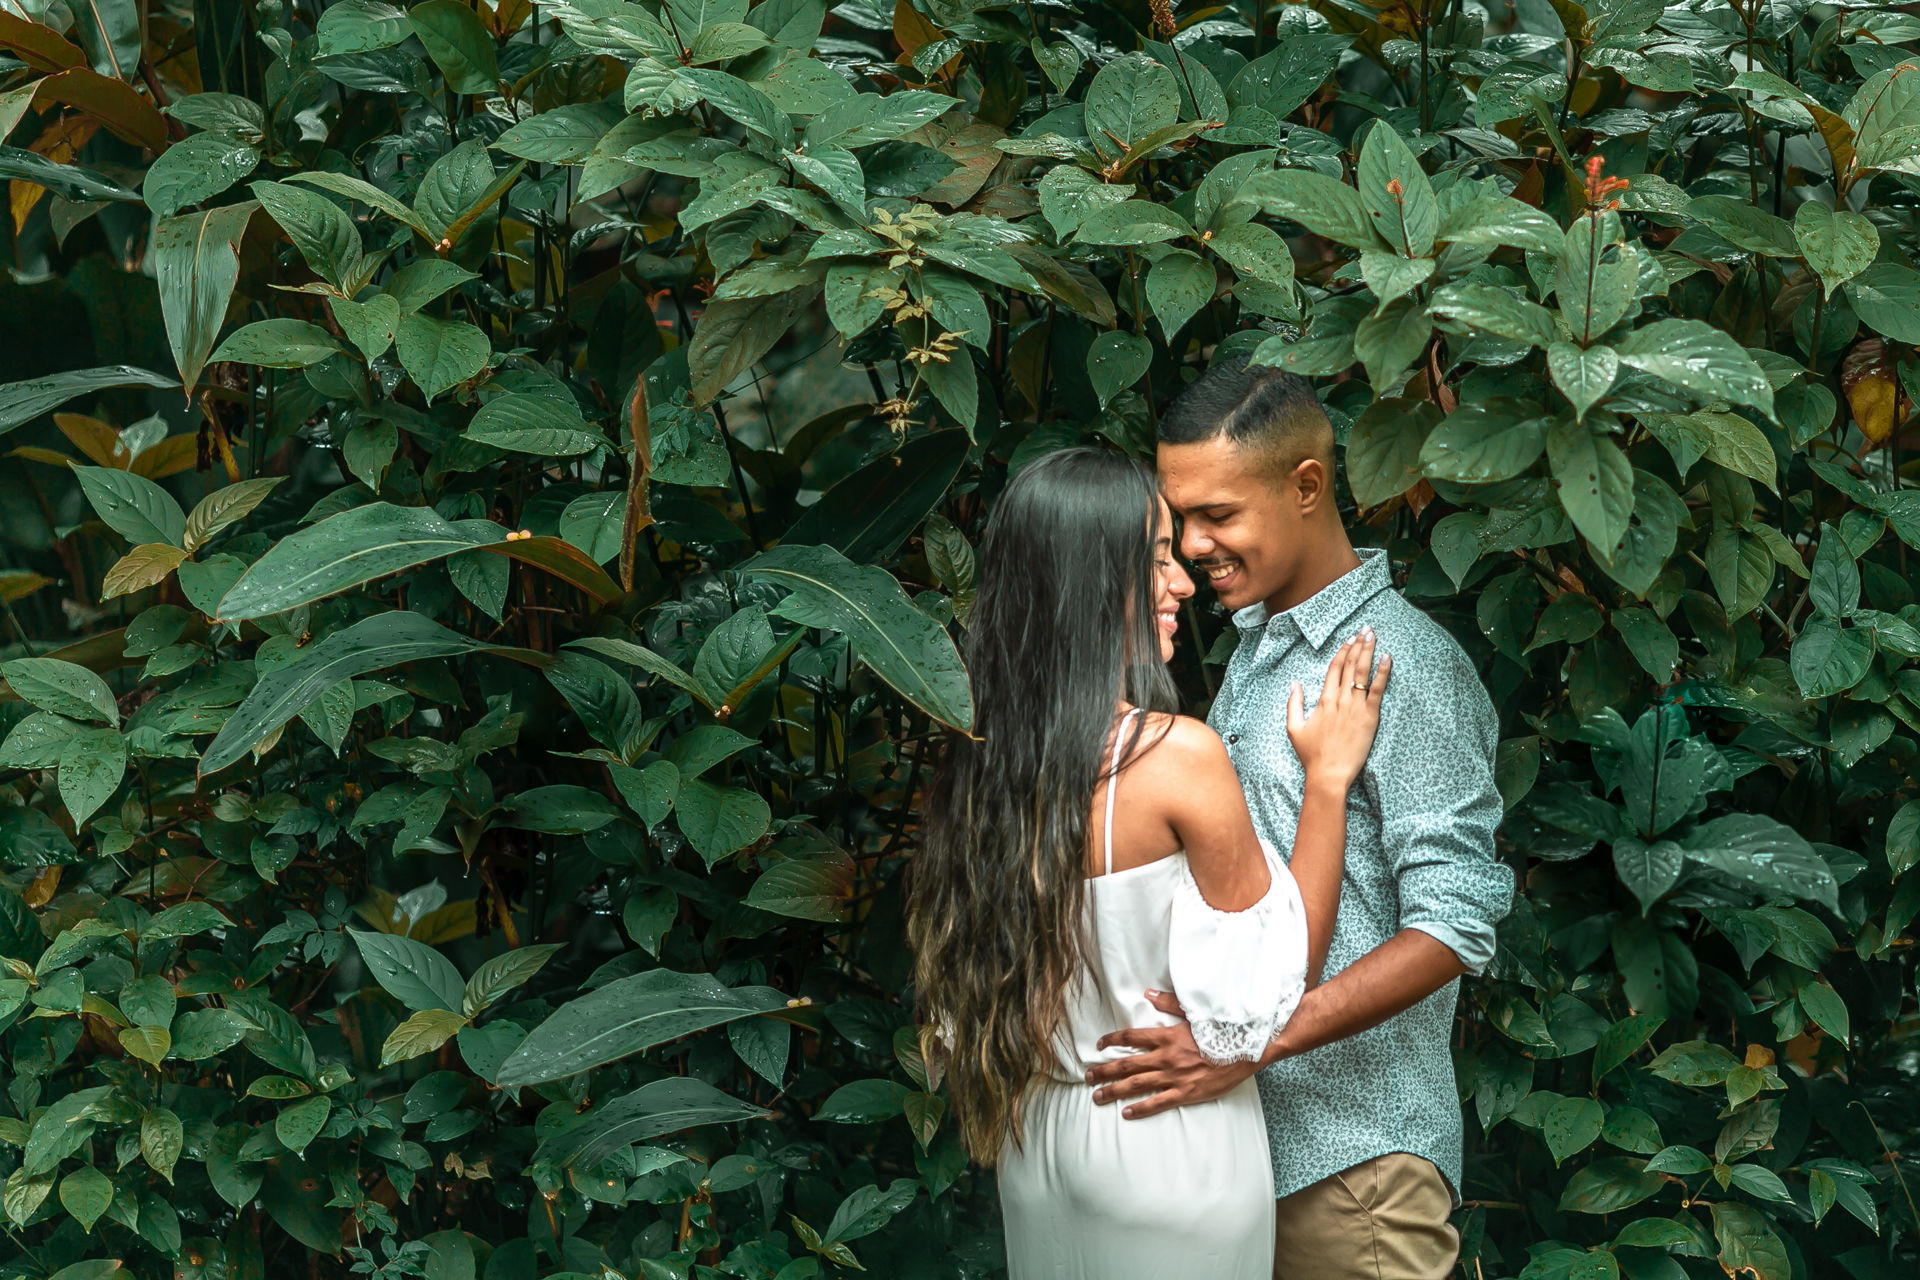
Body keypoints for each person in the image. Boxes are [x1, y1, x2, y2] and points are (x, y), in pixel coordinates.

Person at [906, 446, 1391, 1280]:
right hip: (1168, 1145)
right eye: (1157, 557)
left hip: (1043, 1146)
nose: (1182, 583)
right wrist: (1328, 781)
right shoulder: (1173, 758)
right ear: (1093, 581)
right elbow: (1281, 973)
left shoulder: (982, 762)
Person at [1085, 357, 1516, 1279]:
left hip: (1355, 1168)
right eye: (1179, 519)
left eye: (1217, 515)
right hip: (1239, 1161)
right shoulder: (1258, 656)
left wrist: (1249, 1045)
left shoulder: (1404, 664)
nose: (1192, 546)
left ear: (1307, 486)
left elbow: (1453, 925)